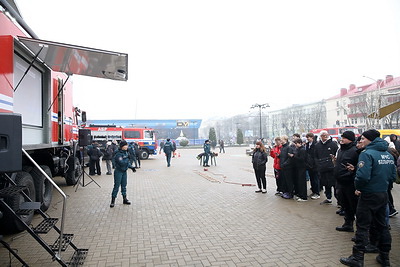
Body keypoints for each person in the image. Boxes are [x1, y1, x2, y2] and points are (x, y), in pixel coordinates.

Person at [340, 129, 396, 267]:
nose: (361, 141)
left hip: (368, 194)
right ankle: (385, 257)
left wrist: (359, 188)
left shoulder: (367, 154)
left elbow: (363, 176)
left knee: (362, 226)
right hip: (383, 194)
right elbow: (393, 176)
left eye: (363, 138)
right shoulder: (388, 154)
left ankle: (357, 257)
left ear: (370, 139)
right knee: (382, 226)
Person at [334, 131, 359, 233]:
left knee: (354, 205)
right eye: (342, 137)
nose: (342, 139)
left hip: (350, 182)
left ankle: (359, 230)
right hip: (341, 181)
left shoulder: (355, 151)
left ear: (350, 139)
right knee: (345, 204)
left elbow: (357, 167)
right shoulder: (340, 150)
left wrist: (351, 172)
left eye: (344, 138)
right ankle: (348, 224)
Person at [314, 130, 338, 205]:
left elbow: (336, 154)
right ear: (320, 136)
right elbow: (315, 156)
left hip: (332, 168)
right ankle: (328, 198)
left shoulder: (333, 144)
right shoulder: (317, 145)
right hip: (322, 168)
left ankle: (339, 200)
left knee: (334, 184)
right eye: (323, 135)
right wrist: (318, 165)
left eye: (326, 135)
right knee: (326, 184)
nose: (325, 136)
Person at [110, 140, 136, 208]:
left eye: (127, 145)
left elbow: (126, 163)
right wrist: (127, 160)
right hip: (118, 172)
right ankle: (113, 201)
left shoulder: (126, 153)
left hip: (124, 172)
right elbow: (122, 163)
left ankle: (124, 199)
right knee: (116, 186)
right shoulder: (118, 154)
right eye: (125, 145)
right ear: (122, 146)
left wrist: (131, 167)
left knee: (124, 186)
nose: (127, 146)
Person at [305, 132, 320, 200]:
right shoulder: (307, 144)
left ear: (312, 138)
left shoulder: (316, 144)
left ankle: (317, 192)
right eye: (307, 138)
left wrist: (315, 163)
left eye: (308, 137)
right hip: (309, 164)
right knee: (312, 179)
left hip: (315, 165)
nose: (307, 139)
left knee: (315, 179)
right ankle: (313, 191)